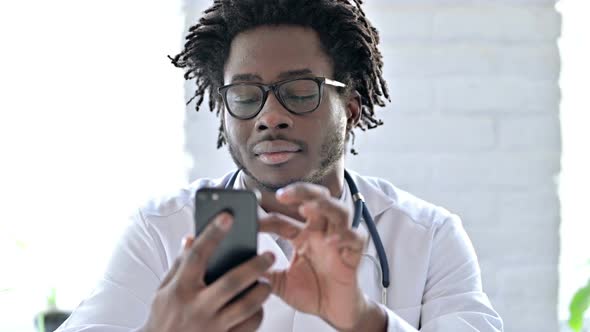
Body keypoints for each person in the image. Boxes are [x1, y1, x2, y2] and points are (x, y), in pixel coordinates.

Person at [57, 0, 503, 331]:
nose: (270, 116)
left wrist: (366, 319)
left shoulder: (428, 236)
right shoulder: (161, 232)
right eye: (247, 96)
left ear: (349, 109)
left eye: (299, 90)